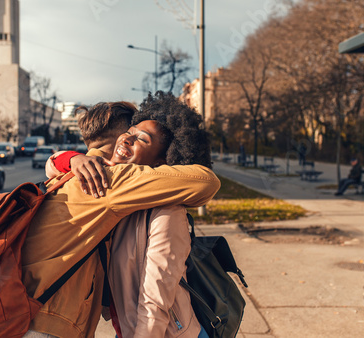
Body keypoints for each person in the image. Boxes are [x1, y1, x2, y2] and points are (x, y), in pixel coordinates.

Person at [21, 93, 220, 338]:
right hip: (80, 325)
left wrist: (68, 158)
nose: (127, 140)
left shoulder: (109, 185)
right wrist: (69, 158)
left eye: (141, 139)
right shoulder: (106, 181)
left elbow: (155, 296)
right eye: (130, 131)